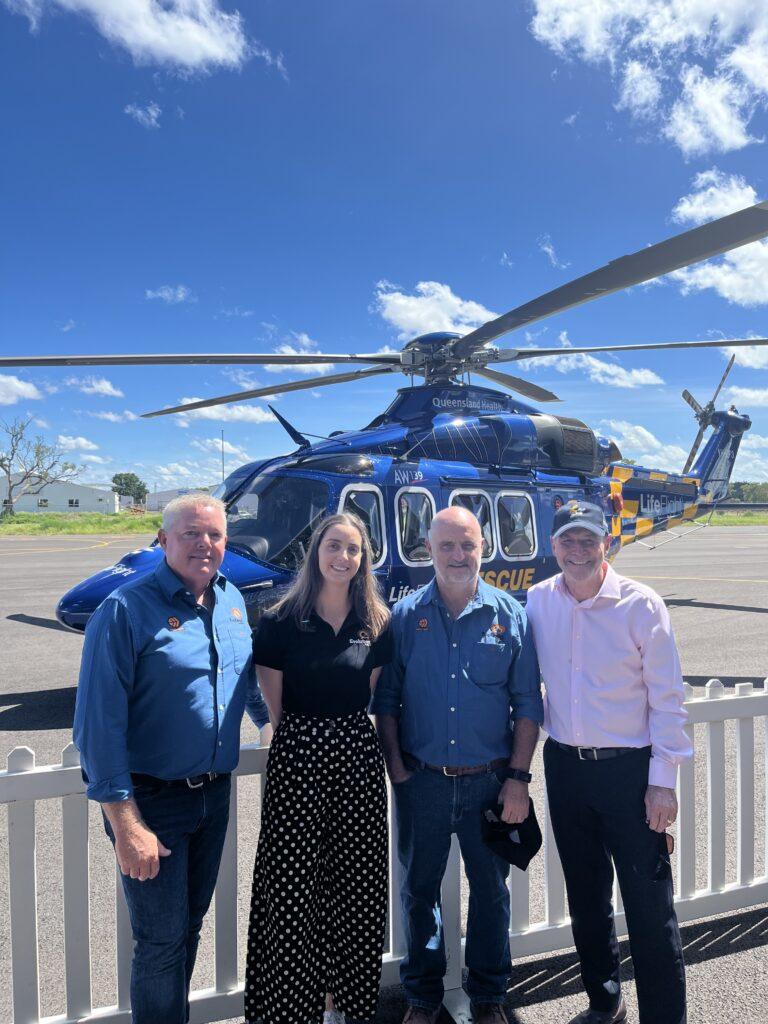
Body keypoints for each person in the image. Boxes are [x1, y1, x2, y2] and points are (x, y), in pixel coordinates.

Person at [73, 494, 271, 1024]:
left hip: (212, 796)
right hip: (152, 801)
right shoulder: (124, 610)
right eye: (191, 533)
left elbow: (243, 677)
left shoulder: (230, 600)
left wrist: (267, 721)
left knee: (187, 930)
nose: (204, 544)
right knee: (160, 944)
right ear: (163, 540)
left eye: (215, 535)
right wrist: (126, 824)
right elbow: (96, 727)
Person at [373, 506, 543, 1024]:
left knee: (491, 892)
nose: (457, 555)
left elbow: (527, 705)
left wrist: (517, 779)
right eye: (446, 545)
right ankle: (423, 998)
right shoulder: (405, 617)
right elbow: (388, 702)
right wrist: (398, 771)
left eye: (467, 544)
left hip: (490, 782)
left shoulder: (509, 615)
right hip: (421, 781)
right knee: (418, 890)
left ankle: (490, 994)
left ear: (483, 548)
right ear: (429, 550)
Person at [525, 500, 692, 1024]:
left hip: (630, 770)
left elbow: (667, 699)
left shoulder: (641, 605)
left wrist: (662, 782)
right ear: (553, 547)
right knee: (586, 897)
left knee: (649, 905)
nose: (578, 550)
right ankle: (605, 1000)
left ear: (608, 543)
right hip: (567, 767)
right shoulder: (536, 601)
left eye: (588, 539)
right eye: (568, 540)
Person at [245, 512, 392, 1024]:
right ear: (316, 551)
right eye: (334, 546)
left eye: (353, 549)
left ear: (363, 558)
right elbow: (275, 706)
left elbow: (366, 692)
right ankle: (291, 1008)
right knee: (291, 887)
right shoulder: (281, 619)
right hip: (300, 755)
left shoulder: (376, 620)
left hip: (355, 755)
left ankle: (342, 1004)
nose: (342, 558)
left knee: (356, 886)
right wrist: (304, 741)